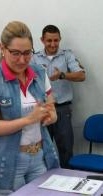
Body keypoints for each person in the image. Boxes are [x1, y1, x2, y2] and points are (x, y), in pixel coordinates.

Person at [0, 21, 59, 191]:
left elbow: (52, 109)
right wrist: (29, 119)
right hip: (9, 161)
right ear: (2, 48)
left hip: (39, 155)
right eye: (15, 53)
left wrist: (51, 116)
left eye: (27, 53)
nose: (22, 60)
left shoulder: (39, 73)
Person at [31, 24, 86, 168]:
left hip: (62, 110)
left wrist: (62, 75)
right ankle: (43, 182)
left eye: (56, 40)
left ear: (60, 39)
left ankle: (67, 184)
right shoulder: (34, 58)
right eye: (49, 41)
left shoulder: (67, 55)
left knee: (66, 149)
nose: (53, 44)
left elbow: (81, 75)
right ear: (42, 40)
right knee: (42, 150)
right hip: (42, 110)